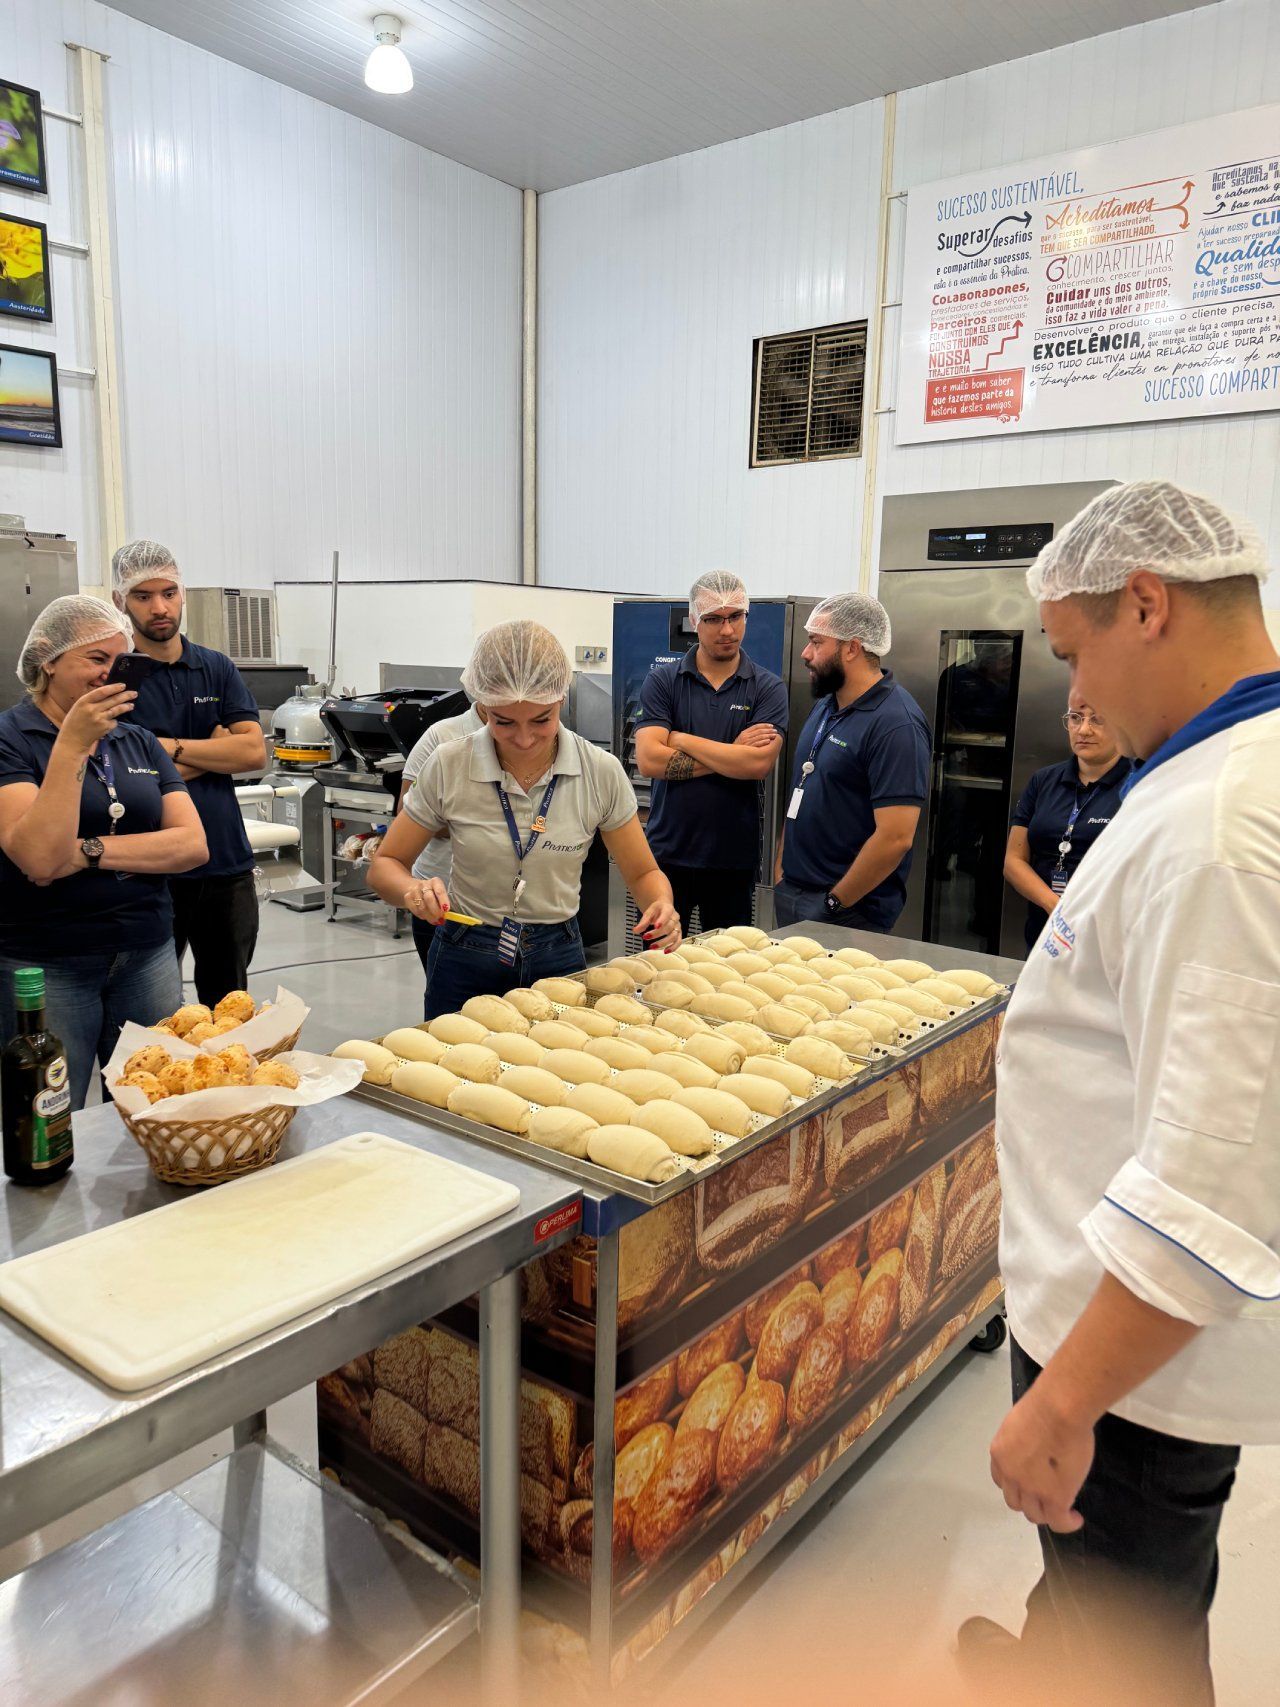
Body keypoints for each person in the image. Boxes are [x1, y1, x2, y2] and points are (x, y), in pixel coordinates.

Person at [963, 481, 1280, 1707]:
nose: (1071, 700)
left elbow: (1214, 1176)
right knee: (1102, 1590)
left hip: (1132, 1370)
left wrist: (1065, 1401)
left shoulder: (1216, 830)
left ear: (1143, 604)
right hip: (1124, 1342)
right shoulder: (1225, 770)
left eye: (1070, 653)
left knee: (1134, 1646)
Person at [371, 621, 680, 1017]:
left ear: (561, 701)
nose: (524, 739)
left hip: (558, 952)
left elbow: (642, 873)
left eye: (541, 720)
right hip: (466, 948)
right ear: (482, 707)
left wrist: (661, 905)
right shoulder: (448, 764)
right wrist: (411, 892)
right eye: (503, 722)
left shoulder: (599, 771)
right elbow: (386, 864)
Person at [0, 596, 207, 1109]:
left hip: (146, 950)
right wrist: (71, 745)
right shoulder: (11, 739)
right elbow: (41, 859)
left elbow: (191, 845)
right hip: (49, 958)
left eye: (120, 663)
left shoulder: (137, 740)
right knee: (50, 1110)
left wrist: (88, 850)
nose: (110, 675)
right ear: (48, 659)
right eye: (96, 660)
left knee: (158, 1101)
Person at [112, 540, 267, 1009]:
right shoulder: (116, 677)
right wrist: (217, 747)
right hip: (152, 867)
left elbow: (253, 752)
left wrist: (166, 749)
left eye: (169, 593)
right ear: (121, 601)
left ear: (182, 594)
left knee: (230, 1007)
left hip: (225, 864)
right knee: (150, 1010)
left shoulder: (215, 666)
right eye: (143, 596)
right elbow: (126, 778)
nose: (159, 607)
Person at [634, 571, 789, 935]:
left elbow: (757, 764)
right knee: (660, 965)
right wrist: (730, 754)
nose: (727, 630)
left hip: (732, 859)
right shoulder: (664, 681)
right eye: (714, 619)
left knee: (728, 969)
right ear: (694, 622)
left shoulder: (767, 687)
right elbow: (650, 760)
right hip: (668, 855)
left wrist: (683, 740)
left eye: (736, 617)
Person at [774, 593, 930, 931]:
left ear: (851, 648)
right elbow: (802, 788)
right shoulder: (827, 705)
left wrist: (834, 902)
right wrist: (782, 873)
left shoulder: (896, 723)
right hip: (794, 891)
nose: (805, 653)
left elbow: (896, 837)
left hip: (848, 911)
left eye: (816, 642)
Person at [1004, 691, 1131, 951]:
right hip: (1044, 930)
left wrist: (1075, 914)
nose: (1084, 730)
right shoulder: (1044, 780)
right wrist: (1055, 906)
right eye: (1075, 718)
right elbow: (1014, 861)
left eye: (1097, 720)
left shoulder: (1137, 785)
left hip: (1106, 935)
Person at [399, 700, 483, 1013]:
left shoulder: (543, 740)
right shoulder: (441, 738)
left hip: (514, 907)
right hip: (443, 901)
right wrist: (483, 824)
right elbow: (408, 815)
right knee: (455, 1017)